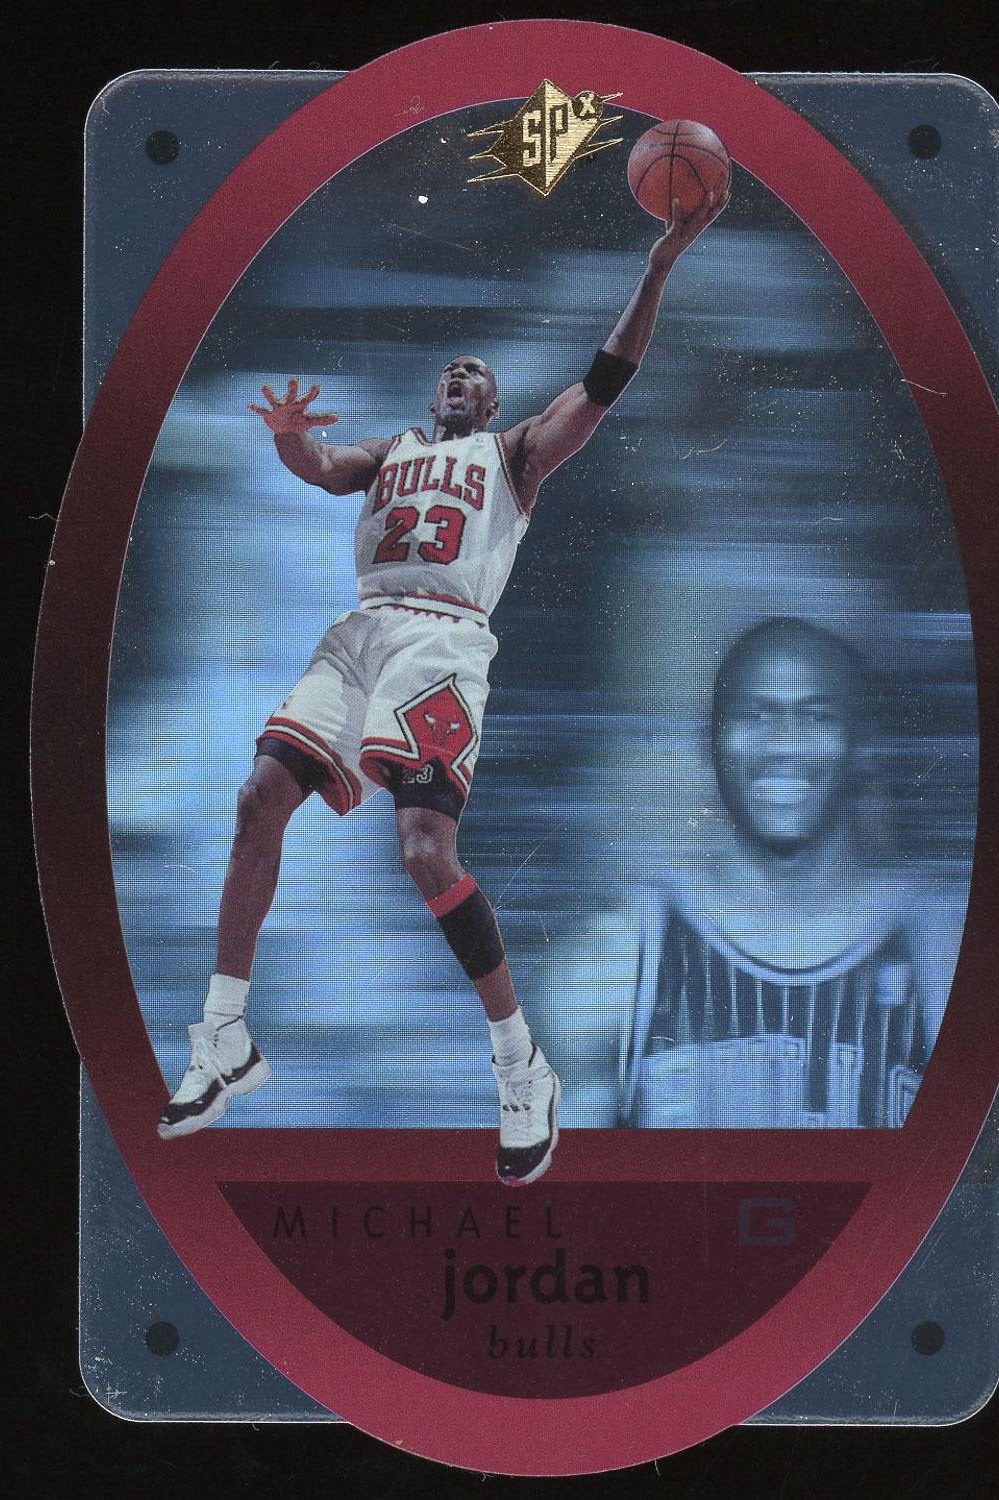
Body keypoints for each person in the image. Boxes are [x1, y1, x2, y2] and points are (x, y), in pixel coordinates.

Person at [157, 188, 726, 1184]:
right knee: (256, 798)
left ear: (493, 404)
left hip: (442, 643)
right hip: (361, 631)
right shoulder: (390, 453)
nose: (461, 377)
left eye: (478, 374)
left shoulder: (514, 456)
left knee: (425, 851)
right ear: (435, 396)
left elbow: (603, 379)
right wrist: (287, 434)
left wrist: (658, 265)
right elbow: (318, 465)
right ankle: (223, 1036)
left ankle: (520, 1067)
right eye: (450, 372)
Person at [611, 617, 963, 1129]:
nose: (783, 745)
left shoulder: (940, 948)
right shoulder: (622, 956)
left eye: (817, 716)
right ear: (711, 741)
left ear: (863, 747)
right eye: (755, 715)